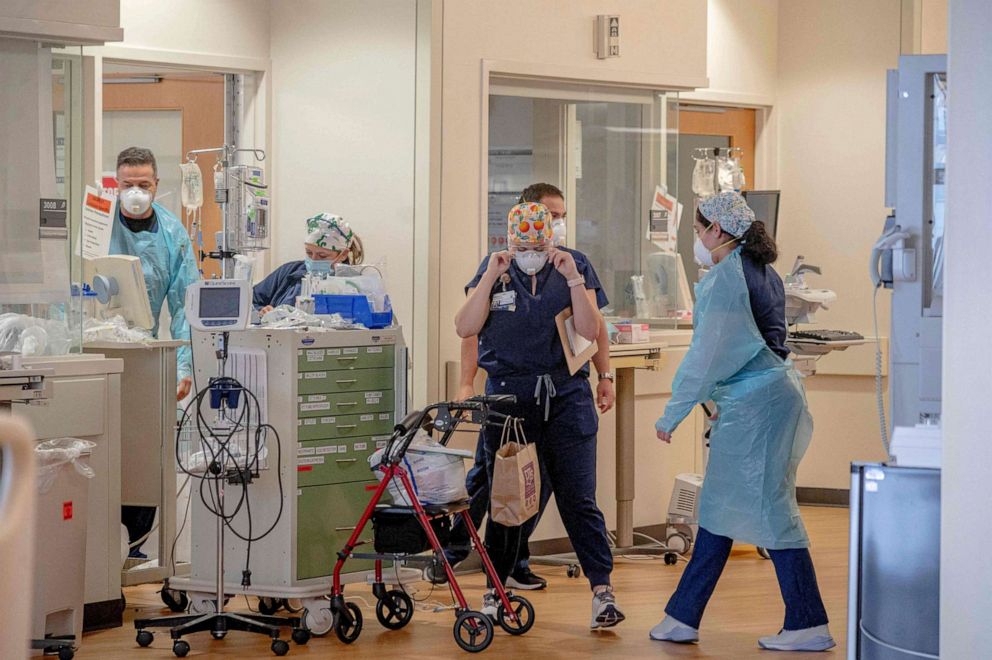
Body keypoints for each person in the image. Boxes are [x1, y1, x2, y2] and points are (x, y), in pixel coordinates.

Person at [651, 192, 835, 652]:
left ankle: (808, 623)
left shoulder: (725, 279)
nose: (696, 240)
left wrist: (673, 411)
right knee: (721, 508)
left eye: (697, 232)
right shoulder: (763, 272)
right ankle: (682, 616)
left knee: (769, 512)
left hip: (757, 408)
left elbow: (707, 355)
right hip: (768, 398)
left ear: (717, 230)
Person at [428, 183, 615, 592]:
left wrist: (605, 376)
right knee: (500, 490)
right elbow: (467, 330)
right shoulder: (495, 267)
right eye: (549, 216)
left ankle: (601, 588)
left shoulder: (573, 264)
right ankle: (483, 573)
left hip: (565, 396)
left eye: (556, 220)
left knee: (576, 496)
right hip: (509, 397)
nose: (549, 228)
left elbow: (592, 330)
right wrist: (464, 383)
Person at [111, 146, 200, 557]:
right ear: (115, 183)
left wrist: (183, 366)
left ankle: (138, 544)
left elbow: (186, 306)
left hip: (146, 355)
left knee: (145, 450)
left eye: (143, 185)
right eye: (127, 185)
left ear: (156, 186)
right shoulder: (96, 223)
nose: (135, 192)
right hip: (95, 349)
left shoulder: (173, 234)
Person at [252, 213, 364, 314]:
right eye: (309, 253)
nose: (314, 260)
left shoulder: (354, 286)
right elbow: (248, 300)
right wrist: (262, 312)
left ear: (343, 254)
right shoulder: (289, 272)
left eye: (322, 256)